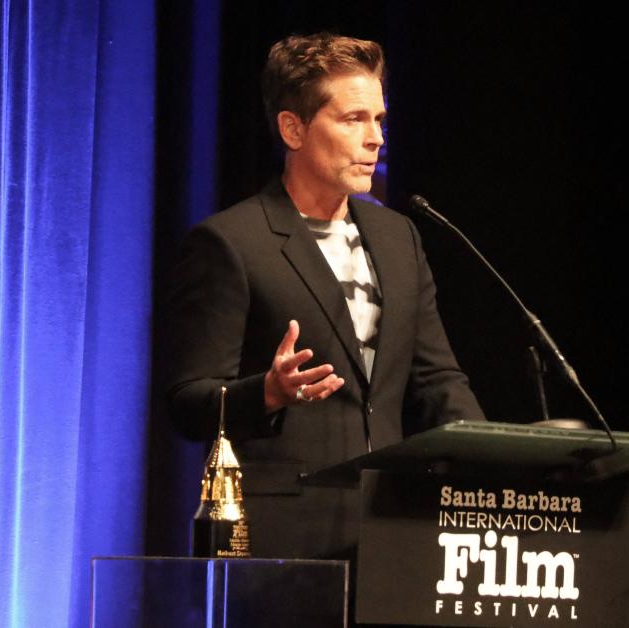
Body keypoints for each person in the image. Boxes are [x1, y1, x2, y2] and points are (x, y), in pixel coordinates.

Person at [166, 32, 484, 560]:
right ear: (293, 128)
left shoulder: (398, 237)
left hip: (390, 532)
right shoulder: (231, 243)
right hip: (282, 537)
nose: (375, 138)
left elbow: (437, 379)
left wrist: (489, 452)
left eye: (379, 120)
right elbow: (187, 403)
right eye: (353, 119)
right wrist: (266, 392)